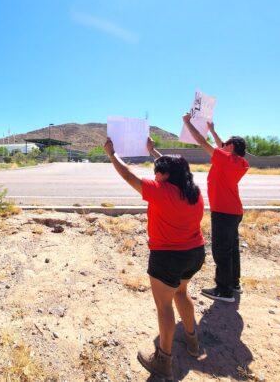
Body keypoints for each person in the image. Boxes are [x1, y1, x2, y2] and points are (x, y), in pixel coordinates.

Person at [104, 136, 205, 380]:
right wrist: (153, 152)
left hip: (167, 257)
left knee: (164, 306)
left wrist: (111, 154)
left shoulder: (160, 191)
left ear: (165, 176)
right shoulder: (193, 191)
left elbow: (129, 176)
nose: (155, 176)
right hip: (194, 253)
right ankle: (192, 342)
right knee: (182, 293)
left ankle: (163, 359)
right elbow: (179, 169)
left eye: (158, 172)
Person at [182, 115, 249, 303]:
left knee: (221, 251)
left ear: (231, 148)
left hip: (224, 212)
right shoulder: (239, 162)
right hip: (234, 211)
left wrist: (188, 124)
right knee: (232, 249)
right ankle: (234, 283)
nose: (222, 145)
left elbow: (201, 141)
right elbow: (221, 146)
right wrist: (212, 129)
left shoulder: (223, 158)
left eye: (226, 144)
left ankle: (224, 290)